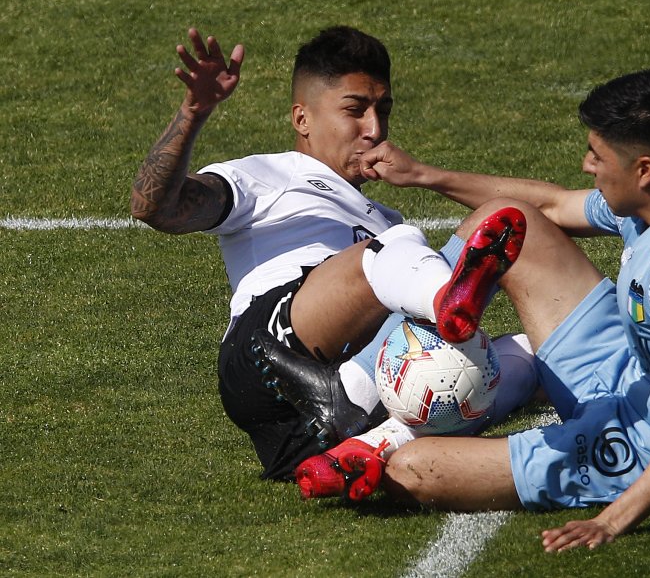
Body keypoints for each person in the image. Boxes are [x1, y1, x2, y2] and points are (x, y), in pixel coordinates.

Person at [351, 69, 650, 551]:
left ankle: (400, 425)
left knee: (410, 470)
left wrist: (610, 522)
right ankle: (409, 371)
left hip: (646, 445)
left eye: (597, 155)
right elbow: (555, 206)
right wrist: (421, 175)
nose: (586, 165)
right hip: (627, 371)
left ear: (644, 170)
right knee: (506, 219)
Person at [130, 27, 535, 484]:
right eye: (355, 110)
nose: (375, 130)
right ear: (302, 119)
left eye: (383, 111)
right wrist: (193, 112)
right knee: (399, 248)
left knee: (522, 351)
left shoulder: (383, 219)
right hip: (270, 356)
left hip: (321, 423)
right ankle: (441, 310)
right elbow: (155, 208)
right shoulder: (269, 174)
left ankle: (370, 446)